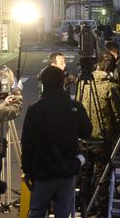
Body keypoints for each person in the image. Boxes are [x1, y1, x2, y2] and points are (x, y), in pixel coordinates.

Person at [22, 66, 92, 218]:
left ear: (43, 85)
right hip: (67, 169)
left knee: (37, 211)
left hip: (42, 169)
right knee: (63, 212)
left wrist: (27, 169)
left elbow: (27, 142)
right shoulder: (75, 107)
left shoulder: (35, 109)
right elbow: (86, 132)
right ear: (63, 83)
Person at [77, 51, 120, 217]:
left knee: (85, 173)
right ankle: (102, 210)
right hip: (103, 139)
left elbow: (77, 106)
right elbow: (119, 116)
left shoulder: (83, 83)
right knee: (102, 175)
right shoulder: (110, 86)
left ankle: (84, 207)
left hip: (84, 137)